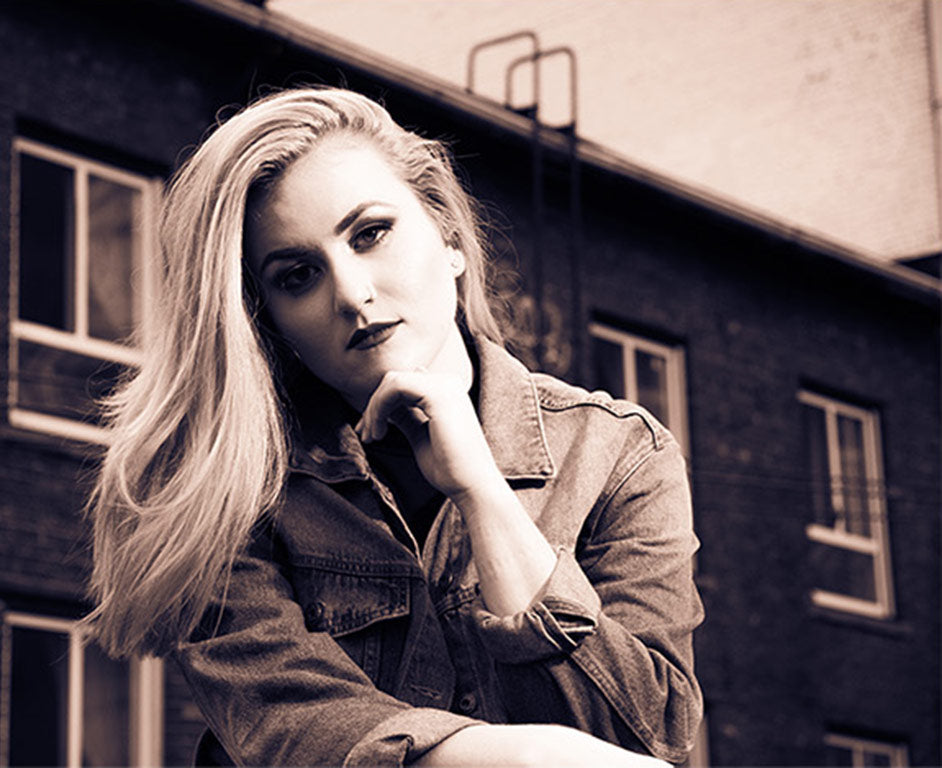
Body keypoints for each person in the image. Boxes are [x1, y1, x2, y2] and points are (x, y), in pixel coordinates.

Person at [85, 86, 704, 767]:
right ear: (269, 323)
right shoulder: (231, 490)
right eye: (297, 275)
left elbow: (645, 735)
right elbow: (290, 726)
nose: (351, 293)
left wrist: (485, 497)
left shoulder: (618, 455)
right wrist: (522, 757)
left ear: (447, 234)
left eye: (370, 234)